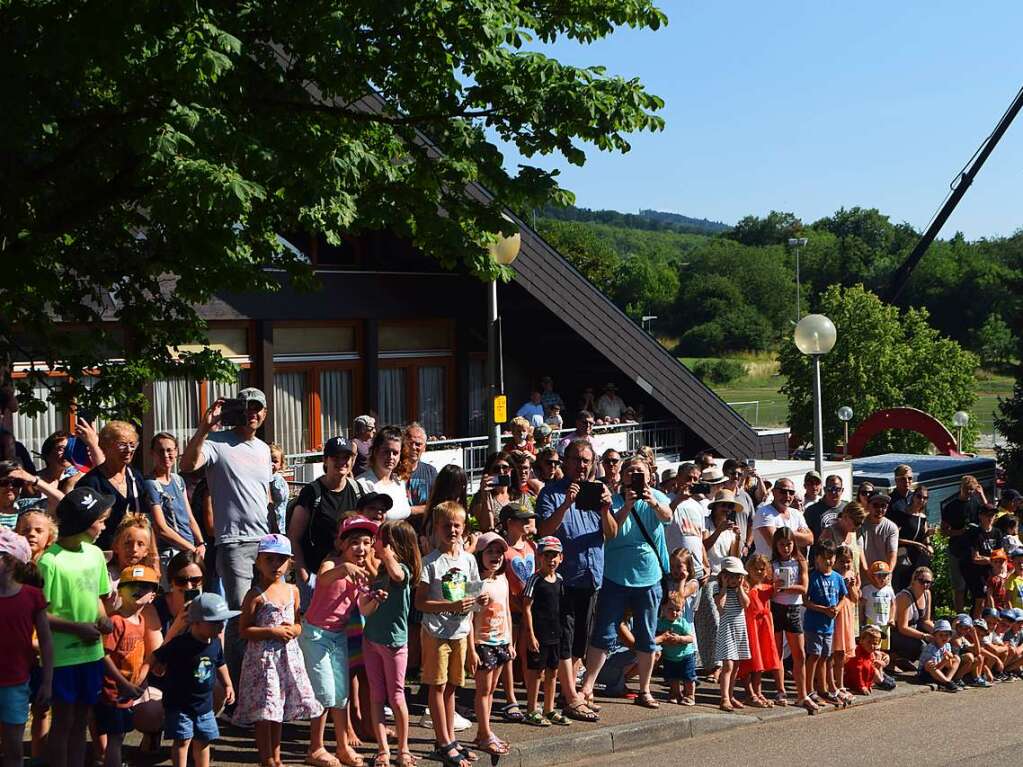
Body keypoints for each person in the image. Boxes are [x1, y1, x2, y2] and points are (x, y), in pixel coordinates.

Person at [179, 388, 272, 687]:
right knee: (239, 615)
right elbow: (187, 466)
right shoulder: (217, 442)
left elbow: (263, 494)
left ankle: (257, 685)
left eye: (257, 408)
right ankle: (238, 690)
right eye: (246, 408)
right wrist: (205, 428)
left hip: (264, 541)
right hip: (233, 542)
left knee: (264, 613)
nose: (252, 413)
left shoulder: (264, 449)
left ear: (265, 413)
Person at [579, 456, 672, 711]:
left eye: (639, 471)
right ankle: (587, 688)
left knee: (646, 635)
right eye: (629, 471)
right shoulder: (614, 500)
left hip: (648, 577)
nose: (634, 475)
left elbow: (668, 517)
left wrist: (652, 502)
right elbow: (611, 532)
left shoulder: (658, 497)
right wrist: (627, 507)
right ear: (621, 475)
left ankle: (644, 689)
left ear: (649, 476)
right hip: (615, 576)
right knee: (604, 632)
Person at [40, 487, 115, 767]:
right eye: (101, 520)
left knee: (82, 720)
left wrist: (103, 619)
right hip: (63, 658)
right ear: (84, 523)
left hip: (91, 655)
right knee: (63, 722)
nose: (104, 526)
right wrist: (77, 629)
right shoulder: (50, 561)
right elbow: (40, 615)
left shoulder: (95, 554)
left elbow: (96, 597)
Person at [535, 440, 609, 721]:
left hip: (591, 578)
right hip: (564, 579)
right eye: (576, 459)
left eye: (586, 461)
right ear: (565, 461)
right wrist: (566, 503)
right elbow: (543, 531)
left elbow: (610, 533)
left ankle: (571, 693)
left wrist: (605, 509)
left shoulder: (598, 491)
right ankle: (571, 697)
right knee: (564, 640)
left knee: (579, 642)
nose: (581, 465)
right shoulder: (551, 493)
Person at [234, 534, 322, 766]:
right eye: (269, 559)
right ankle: (267, 759)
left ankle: (277, 758)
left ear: (289, 563)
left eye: (281, 560)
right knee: (265, 711)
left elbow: (298, 622)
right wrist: (271, 632)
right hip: (263, 661)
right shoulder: (255, 595)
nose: (275, 565)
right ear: (259, 561)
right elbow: (243, 630)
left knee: (278, 710)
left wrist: (293, 629)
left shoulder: (293, 591)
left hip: (287, 658)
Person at [300, 516, 375, 767]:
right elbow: (323, 578)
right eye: (354, 542)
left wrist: (376, 599)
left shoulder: (362, 573)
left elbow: (363, 609)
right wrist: (344, 569)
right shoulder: (332, 562)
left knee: (341, 693)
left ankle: (342, 746)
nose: (361, 548)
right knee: (323, 692)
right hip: (316, 635)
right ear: (341, 544)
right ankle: (315, 748)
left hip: (339, 635)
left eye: (366, 542)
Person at [414, 502, 480, 767]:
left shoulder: (469, 560)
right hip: (436, 631)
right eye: (446, 525)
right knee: (437, 685)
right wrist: (448, 606)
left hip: (460, 632)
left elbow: (473, 599)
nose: (452, 530)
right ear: (436, 528)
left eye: (457, 525)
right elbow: (419, 603)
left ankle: (450, 738)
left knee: (452, 686)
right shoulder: (430, 563)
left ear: (464, 528)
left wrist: (479, 601)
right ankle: (443, 741)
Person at [361, 520, 421, 767]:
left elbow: (397, 574)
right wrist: (373, 597)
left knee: (396, 696)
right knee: (376, 695)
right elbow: (365, 608)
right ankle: (383, 749)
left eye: (378, 540)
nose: (373, 544)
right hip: (371, 641)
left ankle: (403, 748)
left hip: (395, 644)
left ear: (391, 545)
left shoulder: (402, 571)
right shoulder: (379, 575)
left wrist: (386, 555)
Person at [151, 593, 236, 767]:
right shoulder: (179, 644)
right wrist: (149, 671)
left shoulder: (214, 643)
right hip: (180, 705)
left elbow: (220, 662)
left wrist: (228, 684)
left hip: (204, 705)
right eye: (215, 622)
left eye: (223, 621)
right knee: (182, 742)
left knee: (204, 740)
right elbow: (156, 657)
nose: (221, 626)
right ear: (196, 623)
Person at [289, 437, 366, 607]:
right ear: (325, 460)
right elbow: (294, 536)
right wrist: (303, 575)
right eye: (335, 457)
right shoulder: (312, 492)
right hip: (317, 576)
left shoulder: (357, 490)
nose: (341, 462)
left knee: (349, 628)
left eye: (346, 457)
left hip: (349, 576)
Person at [97, 565, 161, 767]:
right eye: (131, 585)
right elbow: (103, 655)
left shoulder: (141, 620)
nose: (138, 589)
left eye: (145, 586)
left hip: (127, 691)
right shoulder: (116, 621)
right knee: (115, 739)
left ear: (152, 595)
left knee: (120, 736)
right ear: (120, 590)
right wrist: (122, 682)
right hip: (113, 691)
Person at [0, 528, 52, 767]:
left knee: (14, 749)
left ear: (11, 562)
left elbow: (46, 639)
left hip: (16, 684)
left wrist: (47, 681)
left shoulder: (32, 596)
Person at [467, 532, 514, 754]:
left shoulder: (502, 580)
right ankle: (484, 733)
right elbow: (467, 617)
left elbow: (507, 613)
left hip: (501, 641)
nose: (495, 556)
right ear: (480, 555)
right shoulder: (475, 582)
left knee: (492, 690)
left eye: (499, 552)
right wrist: (471, 650)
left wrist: (510, 642)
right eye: (490, 551)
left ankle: (483, 732)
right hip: (483, 642)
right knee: (483, 690)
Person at [522, 536, 571, 727]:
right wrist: (531, 635)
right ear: (539, 556)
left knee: (553, 671)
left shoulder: (559, 579)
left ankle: (549, 709)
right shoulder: (535, 580)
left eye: (555, 555)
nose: (551, 559)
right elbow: (527, 608)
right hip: (539, 634)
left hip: (555, 633)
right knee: (537, 672)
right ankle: (531, 709)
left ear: (561, 558)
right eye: (546, 555)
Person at [145, 432, 205, 580]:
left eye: (169, 450)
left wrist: (201, 542)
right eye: (160, 451)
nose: (166, 455)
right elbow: (161, 528)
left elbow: (189, 516)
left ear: (176, 452)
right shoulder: (151, 484)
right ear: (152, 453)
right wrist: (191, 548)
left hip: (190, 552)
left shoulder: (178, 480)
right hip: (170, 553)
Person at [77, 421, 146, 550]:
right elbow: (83, 524)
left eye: (132, 445)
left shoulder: (135, 476)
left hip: (134, 551)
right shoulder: (90, 482)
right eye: (122, 445)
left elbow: (145, 518)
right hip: (103, 552)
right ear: (105, 446)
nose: (129, 450)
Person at [803, 539, 848, 709]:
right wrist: (823, 609)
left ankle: (822, 688)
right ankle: (809, 689)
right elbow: (805, 601)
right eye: (824, 558)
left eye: (831, 558)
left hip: (829, 625)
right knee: (813, 655)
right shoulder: (813, 577)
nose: (828, 561)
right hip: (814, 624)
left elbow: (843, 597)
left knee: (825, 657)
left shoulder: (837, 577)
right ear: (817, 559)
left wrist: (837, 608)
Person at [771, 527, 811, 709]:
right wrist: (774, 587)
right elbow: (768, 589)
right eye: (782, 545)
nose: (786, 548)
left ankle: (802, 694)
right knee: (777, 652)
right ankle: (780, 690)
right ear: (776, 545)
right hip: (777, 608)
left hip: (793, 608)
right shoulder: (772, 563)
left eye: (789, 544)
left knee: (799, 653)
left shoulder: (800, 561)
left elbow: (804, 588)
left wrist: (785, 588)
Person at [737, 554, 782, 708]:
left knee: (760, 662)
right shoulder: (745, 585)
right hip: (750, 626)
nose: (759, 572)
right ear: (749, 569)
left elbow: (774, 592)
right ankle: (749, 693)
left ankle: (758, 691)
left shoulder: (766, 587)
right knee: (749, 661)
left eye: (762, 569)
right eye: (755, 569)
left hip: (763, 627)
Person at [941, 474, 989, 612]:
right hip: (957, 550)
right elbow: (944, 531)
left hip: (975, 550)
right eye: (967, 489)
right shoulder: (951, 506)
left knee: (978, 586)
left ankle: (976, 614)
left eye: (972, 489)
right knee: (959, 586)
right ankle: (959, 614)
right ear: (960, 488)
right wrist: (960, 532)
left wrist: (982, 495)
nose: (969, 492)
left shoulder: (976, 502)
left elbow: (989, 514)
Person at [713, 556, 751, 712]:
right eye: (731, 576)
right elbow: (719, 605)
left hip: (739, 629)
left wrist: (740, 587)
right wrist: (723, 587)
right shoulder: (717, 588)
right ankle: (724, 698)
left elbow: (746, 604)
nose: (735, 579)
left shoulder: (741, 588)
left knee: (736, 665)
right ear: (724, 575)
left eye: (738, 576)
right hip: (726, 629)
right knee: (728, 664)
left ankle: (730, 694)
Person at [358, 426, 411, 522]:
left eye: (395, 453)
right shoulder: (362, 484)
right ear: (375, 451)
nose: (391, 457)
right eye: (386, 451)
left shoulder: (399, 481)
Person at [655, 589, 697, 706]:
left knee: (688, 677)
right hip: (670, 656)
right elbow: (657, 636)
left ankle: (690, 695)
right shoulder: (660, 623)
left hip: (685, 655)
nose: (674, 613)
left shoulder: (682, 622)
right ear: (663, 609)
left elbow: (690, 638)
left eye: (678, 610)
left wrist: (679, 639)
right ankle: (675, 694)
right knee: (673, 678)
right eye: (670, 609)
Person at [753, 478, 812, 558]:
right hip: (768, 566)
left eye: (791, 492)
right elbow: (774, 543)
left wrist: (783, 533)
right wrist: (798, 536)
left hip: (793, 566)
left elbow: (810, 539)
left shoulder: (796, 513)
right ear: (773, 492)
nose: (787, 496)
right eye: (783, 491)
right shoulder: (764, 512)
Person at [831, 544, 859, 705]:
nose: (845, 565)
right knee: (833, 651)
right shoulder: (833, 575)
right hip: (836, 614)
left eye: (848, 561)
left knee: (842, 653)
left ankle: (840, 684)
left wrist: (851, 586)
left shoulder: (851, 574)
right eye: (842, 561)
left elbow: (855, 598)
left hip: (847, 614)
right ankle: (831, 683)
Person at [891, 566, 935, 664]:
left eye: (929, 582)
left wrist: (939, 632)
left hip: (914, 630)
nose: (925, 585)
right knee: (922, 647)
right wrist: (924, 636)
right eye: (922, 581)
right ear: (914, 580)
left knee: (939, 642)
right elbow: (902, 627)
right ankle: (895, 657)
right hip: (898, 632)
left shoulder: (927, 593)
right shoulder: (904, 597)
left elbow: (925, 621)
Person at [966, 505, 1005, 617]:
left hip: (993, 571)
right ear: (980, 516)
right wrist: (992, 560)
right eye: (988, 515)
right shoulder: (975, 533)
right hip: (978, 572)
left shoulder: (997, 532)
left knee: (993, 599)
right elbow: (975, 558)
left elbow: (1001, 554)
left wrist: (1001, 570)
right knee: (981, 600)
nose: (990, 518)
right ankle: (975, 624)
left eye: (992, 515)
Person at [858, 493, 899, 592]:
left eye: (883, 506)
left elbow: (892, 554)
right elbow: (860, 552)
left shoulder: (892, 527)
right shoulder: (860, 524)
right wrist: (868, 573)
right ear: (868, 505)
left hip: (884, 579)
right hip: (865, 579)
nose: (880, 509)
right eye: (876, 505)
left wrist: (888, 573)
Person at [894, 486, 932, 592]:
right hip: (904, 557)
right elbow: (894, 538)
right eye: (919, 496)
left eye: (925, 498)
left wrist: (928, 545)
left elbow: (925, 537)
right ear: (913, 497)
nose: (921, 500)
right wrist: (916, 544)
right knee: (903, 588)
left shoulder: (922, 517)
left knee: (919, 587)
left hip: (918, 558)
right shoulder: (902, 514)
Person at [469, 452, 517, 533]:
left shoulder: (520, 495)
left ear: (511, 470)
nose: (501, 472)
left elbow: (531, 525)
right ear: (489, 472)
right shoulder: (480, 498)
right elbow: (486, 528)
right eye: (496, 469)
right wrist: (485, 497)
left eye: (505, 468)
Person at [844, 624, 894, 695]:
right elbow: (857, 671)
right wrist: (862, 686)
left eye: (875, 643)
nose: (872, 646)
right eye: (869, 642)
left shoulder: (870, 653)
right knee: (889, 684)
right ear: (861, 641)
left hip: (869, 678)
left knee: (891, 683)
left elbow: (870, 670)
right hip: (850, 681)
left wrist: (868, 684)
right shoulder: (857, 653)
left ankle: (875, 683)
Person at [719, 460, 755, 556]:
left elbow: (752, 523)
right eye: (733, 473)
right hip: (719, 552)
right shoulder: (717, 494)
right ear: (724, 473)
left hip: (740, 553)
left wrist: (747, 545)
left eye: (739, 474)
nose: (736, 477)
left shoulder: (745, 497)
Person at [402, 423, 437, 515]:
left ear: (424, 448)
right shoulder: (394, 472)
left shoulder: (431, 472)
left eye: (418, 444)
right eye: (410, 443)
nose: (413, 447)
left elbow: (436, 504)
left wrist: (407, 511)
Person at [860, 561, 897, 651]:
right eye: (879, 576)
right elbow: (862, 606)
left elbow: (893, 604)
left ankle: (881, 663)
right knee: (872, 645)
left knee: (884, 647)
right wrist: (861, 620)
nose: (882, 578)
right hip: (872, 621)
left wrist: (892, 618)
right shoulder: (867, 589)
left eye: (884, 575)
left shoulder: (889, 590)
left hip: (885, 623)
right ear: (873, 576)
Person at [917, 619, 960, 692]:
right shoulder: (931, 648)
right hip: (927, 674)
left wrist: (948, 659)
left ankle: (947, 680)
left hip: (940, 671)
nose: (944, 637)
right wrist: (944, 661)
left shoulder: (947, 645)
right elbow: (935, 668)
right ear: (934, 636)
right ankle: (946, 682)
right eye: (941, 635)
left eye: (947, 635)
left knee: (957, 658)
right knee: (929, 664)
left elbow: (949, 666)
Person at [804, 474, 846, 544]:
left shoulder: (847, 508)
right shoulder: (811, 511)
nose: (833, 492)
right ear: (824, 489)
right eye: (830, 489)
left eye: (837, 489)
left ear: (842, 490)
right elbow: (805, 539)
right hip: (819, 554)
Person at [268, 444, 289, 535]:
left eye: (275, 461)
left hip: (278, 523)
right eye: (269, 461)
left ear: (281, 464)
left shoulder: (277, 479)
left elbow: (280, 497)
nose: (271, 464)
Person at [888, 464, 915, 528]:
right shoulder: (889, 500)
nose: (907, 481)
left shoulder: (916, 497)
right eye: (903, 478)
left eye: (910, 478)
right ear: (896, 480)